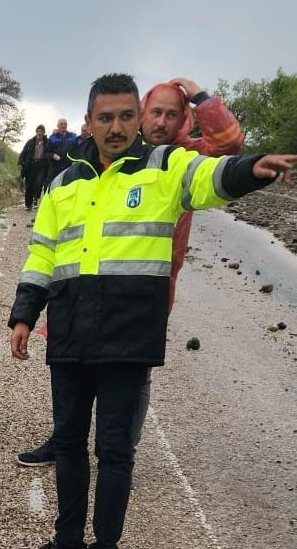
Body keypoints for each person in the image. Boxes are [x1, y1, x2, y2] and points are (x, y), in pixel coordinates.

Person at [5, 72, 294, 549]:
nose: (116, 127)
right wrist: (25, 313)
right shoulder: (64, 181)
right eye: (105, 117)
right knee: (68, 444)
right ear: (88, 120)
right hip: (69, 330)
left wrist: (251, 170)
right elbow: (43, 251)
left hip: (127, 334)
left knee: (113, 451)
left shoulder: (165, 166)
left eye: (125, 116)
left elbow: (214, 177)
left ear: (138, 119)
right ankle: (66, 543)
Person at [17, 75, 244, 467]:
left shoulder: (185, 155)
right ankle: (65, 437)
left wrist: (201, 97)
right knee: (72, 354)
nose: (161, 122)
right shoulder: (114, 152)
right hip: (88, 276)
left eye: (172, 114)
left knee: (131, 365)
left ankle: (121, 446)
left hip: (149, 279)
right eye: (154, 112)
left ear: (184, 121)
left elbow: (230, 147)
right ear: (141, 115)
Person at [18, 124, 50, 210]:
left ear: (44, 133)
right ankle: (28, 204)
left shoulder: (47, 142)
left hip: (41, 165)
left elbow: (50, 152)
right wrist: (20, 162)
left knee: (39, 183)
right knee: (29, 185)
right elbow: (23, 153)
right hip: (31, 165)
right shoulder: (30, 142)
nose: (40, 133)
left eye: (41, 132)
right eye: (38, 131)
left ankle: (36, 199)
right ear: (36, 132)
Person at [46, 117, 78, 184]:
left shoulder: (73, 136)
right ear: (57, 126)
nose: (63, 125)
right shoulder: (52, 137)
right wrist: (53, 155)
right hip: (55, 168)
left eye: (65, 124)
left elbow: (77, 150)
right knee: (52, 186)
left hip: (69, 167)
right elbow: (46, 152)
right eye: (61, 124)